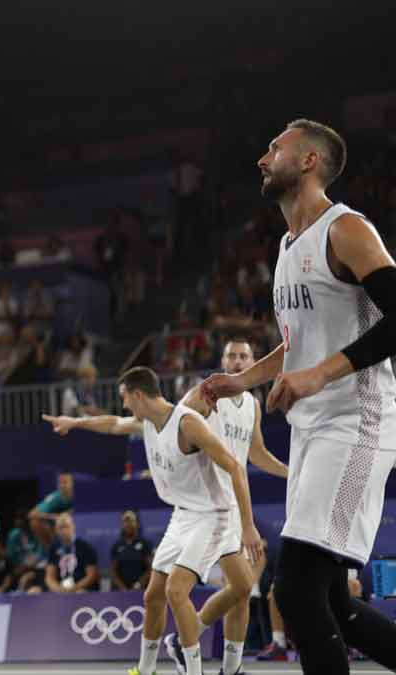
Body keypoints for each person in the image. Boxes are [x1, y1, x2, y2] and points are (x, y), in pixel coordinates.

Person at [201, 119, 396, 674]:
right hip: (314, 428)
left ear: (308, 162)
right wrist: (243, 380)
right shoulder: (289, 248)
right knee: (336, 604)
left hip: (359, 421)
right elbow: (298, 345)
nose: (263, 159)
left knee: (297, 591)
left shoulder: (347, 229)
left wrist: (322, 374)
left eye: (274, 148)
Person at [44, 366, 264, 675]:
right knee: (155, 595)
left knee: (177, 592)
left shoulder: (188, 424)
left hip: (212, 516)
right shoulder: (146, 422)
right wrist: (74, 423)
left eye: (125, 398)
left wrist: (249, 525)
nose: (124, 406)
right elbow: (112, 424)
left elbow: (235, 469)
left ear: (138, 394)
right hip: (182, 515)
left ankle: (194, 670)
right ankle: (146, 670)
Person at [179, 337, 289, 675]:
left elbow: (256, 454)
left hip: (233, 503)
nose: (238, 362)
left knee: (242, 589)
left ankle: (228, 665)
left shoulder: (253, 404)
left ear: (254, 362)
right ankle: (187, 642)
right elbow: (176, 420)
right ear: (223, 362)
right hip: (206, 505)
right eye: (232, 357)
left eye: (244, 357)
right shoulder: (208, 393)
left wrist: (291, 474)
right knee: (239, 586)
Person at [44, 513, 100, 594]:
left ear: (73, 527)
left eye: (66, 526)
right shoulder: (53, 548)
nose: (63, 531)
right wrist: (58, 589)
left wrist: (74, 589)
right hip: (60, 589)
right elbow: (49, 577)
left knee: (80, 593)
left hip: (81, 589)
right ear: (56, 530)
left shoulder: (85, 547)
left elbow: (92, 575)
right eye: (60, 528)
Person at [110, 510, 153, 591]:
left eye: (131, 521)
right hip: (121, 590)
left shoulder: (145, 544)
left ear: (137, 523)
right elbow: (113, 571)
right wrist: (122, 588)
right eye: (125, 521)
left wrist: (139, 584)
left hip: (141, 589)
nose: (128, 524)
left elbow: (150, 568)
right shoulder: (117, 546)